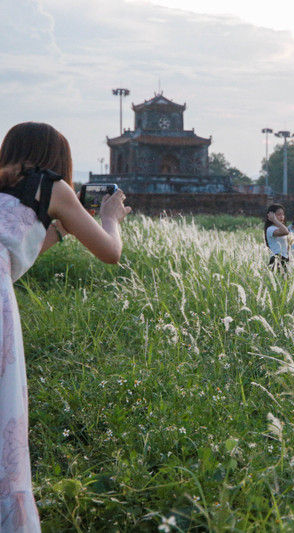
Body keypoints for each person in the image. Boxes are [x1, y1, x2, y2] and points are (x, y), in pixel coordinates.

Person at [0, 122, 131, 532]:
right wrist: (110, 217)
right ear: (56, 159)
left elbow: (15, 247)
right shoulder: (51, 185)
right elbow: (110, 252)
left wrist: (61, 227)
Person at [263, 204, 289, 270]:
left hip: (283, 258)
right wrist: (274, 220)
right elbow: (285, 232)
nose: (282, 217)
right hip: (276, 259)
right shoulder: (270, 229)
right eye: (279, 215)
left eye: (283, 214)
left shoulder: (278, 228)